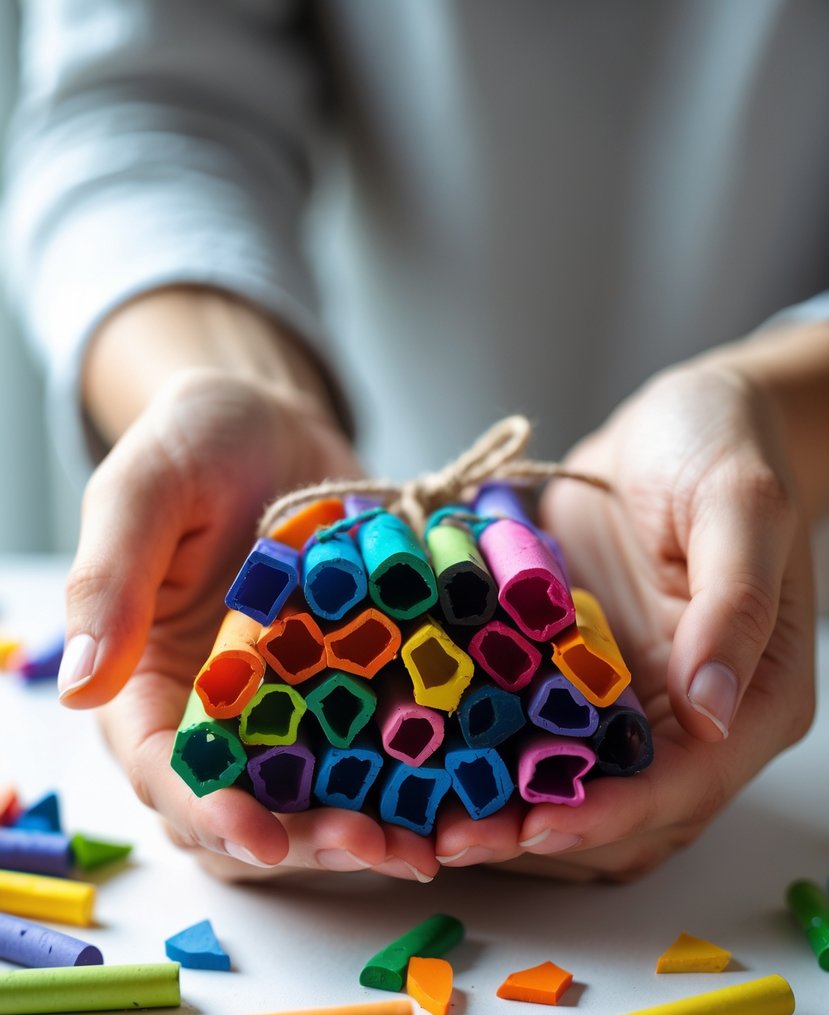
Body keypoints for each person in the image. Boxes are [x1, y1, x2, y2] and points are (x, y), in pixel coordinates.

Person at [3, 1, 828, 885]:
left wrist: (777, 410)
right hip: (362, 493)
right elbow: (143, 107)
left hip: (742, 580)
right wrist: (223, 380)